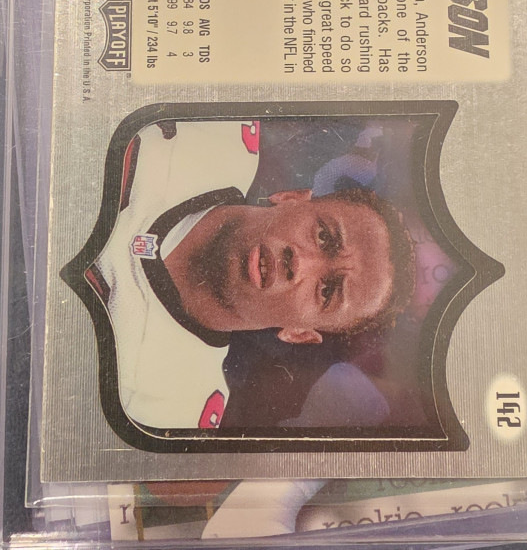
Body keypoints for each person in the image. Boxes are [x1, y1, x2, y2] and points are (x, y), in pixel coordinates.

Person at [83, 119, 415, 431]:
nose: (300, 263)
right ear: (291, 198)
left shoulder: (178, 406)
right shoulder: (220, 135)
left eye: (327, 291)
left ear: (299, 333)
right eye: (324, 236)